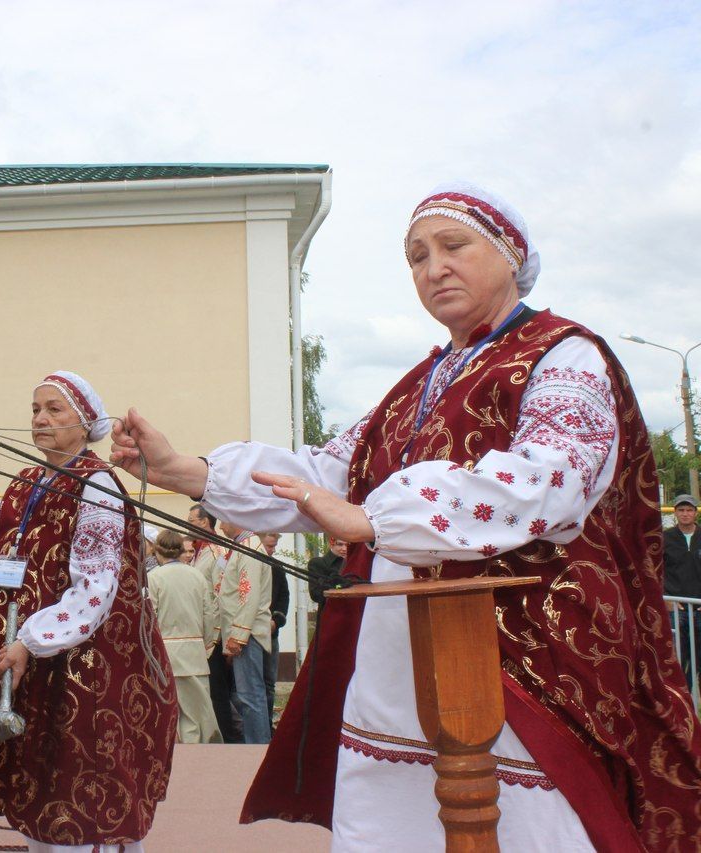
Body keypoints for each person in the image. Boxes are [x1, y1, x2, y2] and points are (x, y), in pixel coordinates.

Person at [109, 183, 701, 849]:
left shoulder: (563, 354)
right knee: (384, 827)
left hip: (529, 662)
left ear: (512, 255)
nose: (432, 267)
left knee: (528, 831)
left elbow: (552, 478)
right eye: (416, 256)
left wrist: (377, 518)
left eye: (454, 246)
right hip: (394, 670)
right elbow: (329, 475)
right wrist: (185, 469)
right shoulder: (417, 385)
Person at [0, 370, 177, 852]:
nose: (39, 418)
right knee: (41, 793)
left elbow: (95, 588)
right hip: (32, 663)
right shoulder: (28, 481)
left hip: (83, 668)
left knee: (79, 793)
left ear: (86, 423)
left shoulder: (98, 487)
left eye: (54, 410)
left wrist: (32, 640)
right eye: (35, 409)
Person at [147, 529, 221, 744]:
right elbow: (210, 612)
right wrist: (206, 643)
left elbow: (151, 617)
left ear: (158, 552)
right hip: (195, 651)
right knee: (198, 711)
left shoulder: (154, 577)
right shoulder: (197, 575)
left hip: (166, 652)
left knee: (170, 708)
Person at [216, 521, 273, 744]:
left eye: (223, 520)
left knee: (251, 697)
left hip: (247, 635)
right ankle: (257, 744)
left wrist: (238, 636)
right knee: (250, 695)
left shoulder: (248, 548)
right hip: (245, 633)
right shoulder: (244, 546)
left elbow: (248, 596)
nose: (220, 526)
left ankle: (257, 748)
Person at [188, 502, 241, 743]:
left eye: (192, 522)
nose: (188, 527)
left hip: (214, 633)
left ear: (205, 523)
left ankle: (228, 738)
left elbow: (220, 593)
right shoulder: (197, 551)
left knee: (219, 691)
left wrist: (217, 633)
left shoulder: (216, 552)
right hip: (200, 630)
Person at [664, 494, 700, 689]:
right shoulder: (665, 538)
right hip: (676, 610)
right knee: (678, 660)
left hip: (699, 607)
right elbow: (654, 570)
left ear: (695, 513)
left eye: (689, 510)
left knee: (699, 660)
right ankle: (685, 703)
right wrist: (666, 599)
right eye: (681, 510)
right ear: (676, 513)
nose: (685, 514)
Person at [257, 532, 290, 720]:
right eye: (269, 546)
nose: (273, 550)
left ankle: (267, 723)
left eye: (274, 546)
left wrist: (276, 621)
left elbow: (284, 597)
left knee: (269, 682)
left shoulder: (277, 567)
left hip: (271, 633)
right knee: (253, 684)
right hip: (251, 634)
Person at [305, 536, 348, 604]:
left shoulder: (355, 564)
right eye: (340, 544)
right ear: (331, 543)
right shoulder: (317, 563)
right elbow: (315, 595)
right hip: (328, 610)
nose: (344, 549)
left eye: (348, 545)